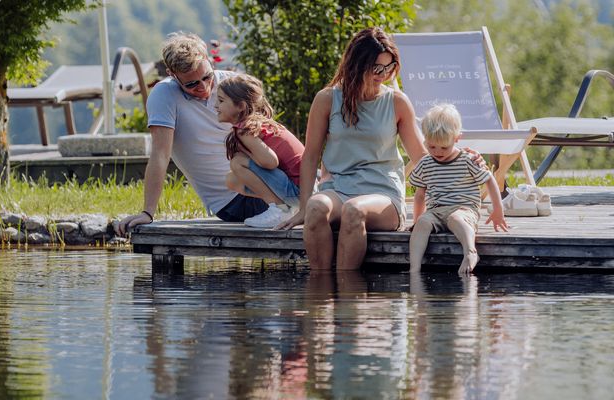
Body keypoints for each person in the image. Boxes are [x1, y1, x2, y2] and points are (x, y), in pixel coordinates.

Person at [276, 27, 428, 270]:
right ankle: (321, 294)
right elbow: (310, 156)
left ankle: (348, 296)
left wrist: (456, 161)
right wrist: (303, 207)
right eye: (377, 68)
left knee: (354, 210)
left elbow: (421, 157)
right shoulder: (327, 99)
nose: (384, 74)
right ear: (357, 64)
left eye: (389, 67)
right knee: (316, 208)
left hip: (382, 193)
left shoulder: (397, 102)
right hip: (338, 188)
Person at [116, 33, 268, 236]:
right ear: (172, 74)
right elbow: (160, 155)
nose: (203, 87)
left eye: (207, 77)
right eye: (191, 84)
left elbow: (271, 135)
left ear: (209, 60)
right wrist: (147, 212)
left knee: (315, 196)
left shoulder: (234, 84)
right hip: (234, 200)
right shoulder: (164, 96)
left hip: (268, 181)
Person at [408, 103, 508, 275]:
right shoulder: (425, 163)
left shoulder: (467, 159)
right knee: (423, 223)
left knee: (456, 218)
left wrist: (498, 210)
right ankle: (414, 267)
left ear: (457, 139)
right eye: (431, 146)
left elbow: (489, 179)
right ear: (425, 139)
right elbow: (420, 194)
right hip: (436, 210)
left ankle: (470, 252)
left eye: (444, 147)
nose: (438, 152)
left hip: (463, 209)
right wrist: (417, 219)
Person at [216, 74, 305, 228]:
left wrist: (248, 155)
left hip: (297, 190)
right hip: (304, 189)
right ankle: (286, 207)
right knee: (232, 180)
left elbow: (270, 162)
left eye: (221, 101)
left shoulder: (244, 129)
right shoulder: (257, 124)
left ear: (241, 106)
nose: (216, 106)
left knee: (238, 163)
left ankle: (279, 209)